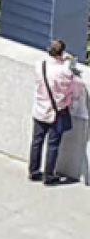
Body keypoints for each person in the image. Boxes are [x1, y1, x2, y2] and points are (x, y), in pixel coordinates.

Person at [31, 40, 80, 184]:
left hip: (39, 109)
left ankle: (33, 171)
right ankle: (49, 175)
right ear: (61, 54)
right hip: (55, 112)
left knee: (37, 141)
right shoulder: (64, 71)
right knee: (53, 144)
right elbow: (74, 90)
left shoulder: (40, 65)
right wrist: (69, 64)